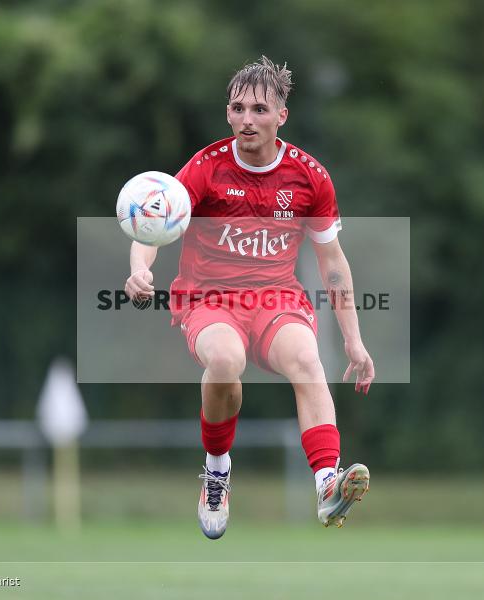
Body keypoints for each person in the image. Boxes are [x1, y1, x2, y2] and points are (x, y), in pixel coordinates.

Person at [124, 56, 375, 540]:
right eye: (237, 108)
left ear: (282, 114)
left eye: (259, 109)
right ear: (227, 113)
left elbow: (333, 263)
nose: (246, 119)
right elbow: (152, 220)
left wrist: (354, 341)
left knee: (306, 358)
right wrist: (138, 270)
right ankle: (217, 472)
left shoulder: (310, 177)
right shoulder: (205, 168)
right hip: (209, 298)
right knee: (224, 359)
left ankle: (327, 486)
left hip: (277, 298)